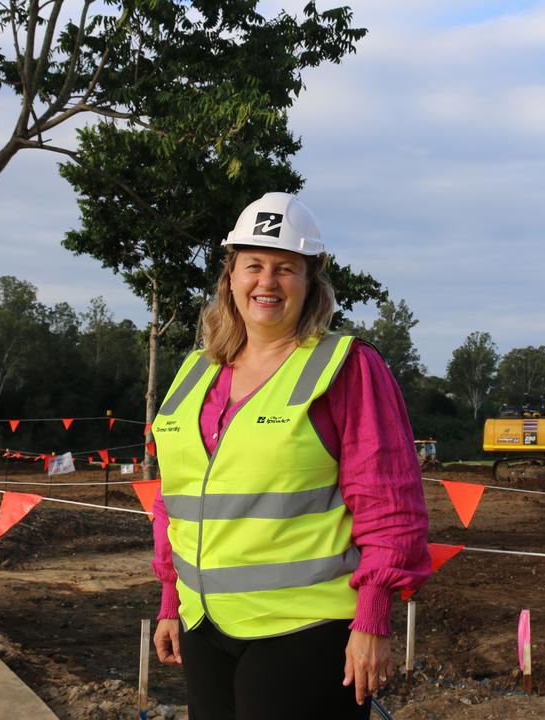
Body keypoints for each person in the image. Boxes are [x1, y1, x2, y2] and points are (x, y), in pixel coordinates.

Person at [149, 192, 431, 720]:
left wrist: (372, 618)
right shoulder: (194, 373)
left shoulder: (347, 368)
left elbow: (389, 504)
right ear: (230, 277)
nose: (267, 281)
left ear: (310, 283)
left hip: (307, 628)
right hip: (205, 626)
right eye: (253, 265)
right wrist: (171, 599)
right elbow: (175, 501)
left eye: (286, 268)